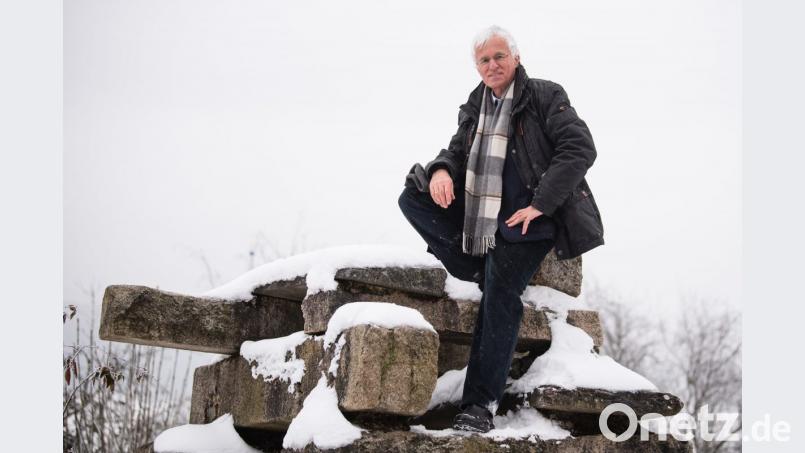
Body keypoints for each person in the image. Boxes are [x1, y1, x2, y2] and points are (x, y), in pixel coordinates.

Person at [398, 25, 604, 433]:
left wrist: (540, 204)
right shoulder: (476, 104)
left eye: (499, 57)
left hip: (527, 223)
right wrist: (441, 171)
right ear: (477, 67)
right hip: (483, 222)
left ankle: (479, 406)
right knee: (412, 197)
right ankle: (476, 266)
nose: (492, 65)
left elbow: (580, 147)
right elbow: (456, 151)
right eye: (484, 60)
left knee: (500, 294)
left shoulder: (544, 95)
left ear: (516, 58)